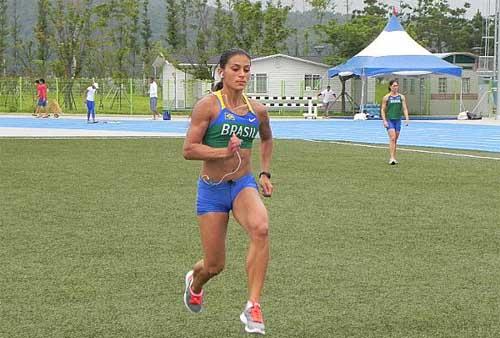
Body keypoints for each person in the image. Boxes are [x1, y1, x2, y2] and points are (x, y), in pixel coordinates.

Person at [182, 48, 273, 335]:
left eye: (247, 69)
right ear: (222, 71)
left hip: (242, 184)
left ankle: (253, 306)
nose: (242, 74)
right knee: (214, 264)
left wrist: (265, 172)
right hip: (212, 189)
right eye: (236, 68)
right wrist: (224, 151)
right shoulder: (208, 106)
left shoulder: (256, 110)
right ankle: (194, 283)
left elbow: (267, 138)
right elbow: (189, 149)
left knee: (261, 227)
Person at [381, 79, 410, 165]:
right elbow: (382, 110)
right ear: (390, 87)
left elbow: (404, 108)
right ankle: (392, 158)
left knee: (395, 139)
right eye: (394, 86)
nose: (395, 87)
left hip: (398, 120)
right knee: (392, 138)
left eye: (397, 86)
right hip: (390, 120)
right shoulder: (386, 97)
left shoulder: (401, 97)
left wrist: (407, 118)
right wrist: (384, 121)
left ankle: (394, 157)